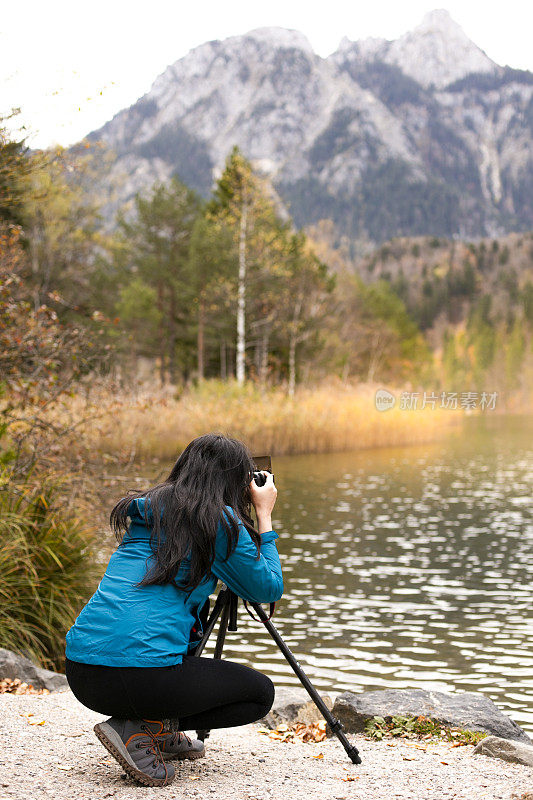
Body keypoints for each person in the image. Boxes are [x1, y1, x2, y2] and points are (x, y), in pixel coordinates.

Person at [64, 433, 283, 787]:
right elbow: (269, 587)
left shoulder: (146, 510)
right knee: (260, 694)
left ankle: (155, 731)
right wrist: (263, 513)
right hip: (140, 676)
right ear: (234, 481)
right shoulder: (220, 523)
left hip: (81, 672)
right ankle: (140, 729)